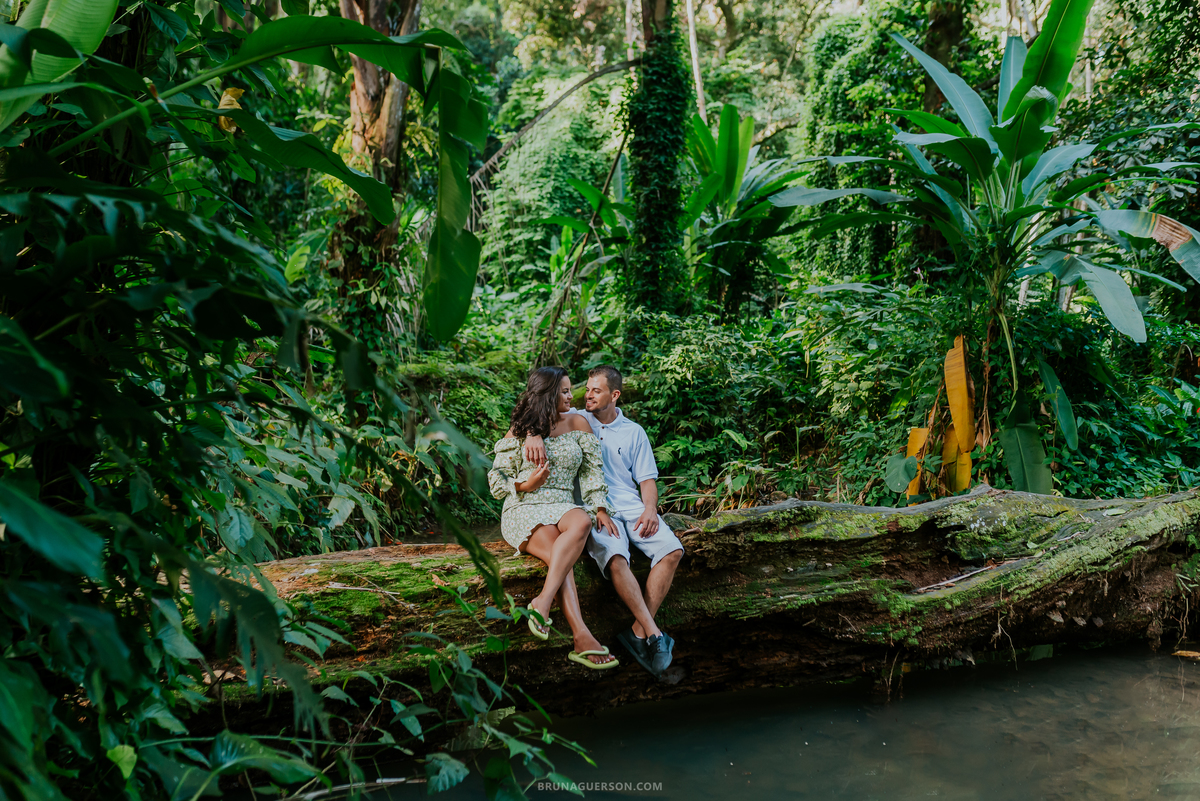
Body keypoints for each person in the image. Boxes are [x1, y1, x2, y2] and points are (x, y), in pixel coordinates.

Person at [525, 365, 683, 676]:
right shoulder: (576, 421)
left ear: (615, 395)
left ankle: (640, 630)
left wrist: (651, 509)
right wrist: (532, 432)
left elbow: (647, 480)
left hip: (632, 507)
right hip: (592, 509)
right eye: (585, 389)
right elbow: (536, 417)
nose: (586, 395)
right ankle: (655, 636)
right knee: (616, 559)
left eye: (595, 390)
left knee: (673, 550)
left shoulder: (634, 431)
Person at [487, 366, 620, 670]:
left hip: (561, 504)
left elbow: (591, 473)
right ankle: (582, 636)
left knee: (582, 523)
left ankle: (542, 601)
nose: (571, 396)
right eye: (563, 391)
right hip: (524, 505)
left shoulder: (577, 423)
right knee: (561, 559)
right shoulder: (520, 429)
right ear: (547, 394)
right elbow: (497, 478)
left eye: (570, 390)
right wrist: (526, 484)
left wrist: (599, 507)